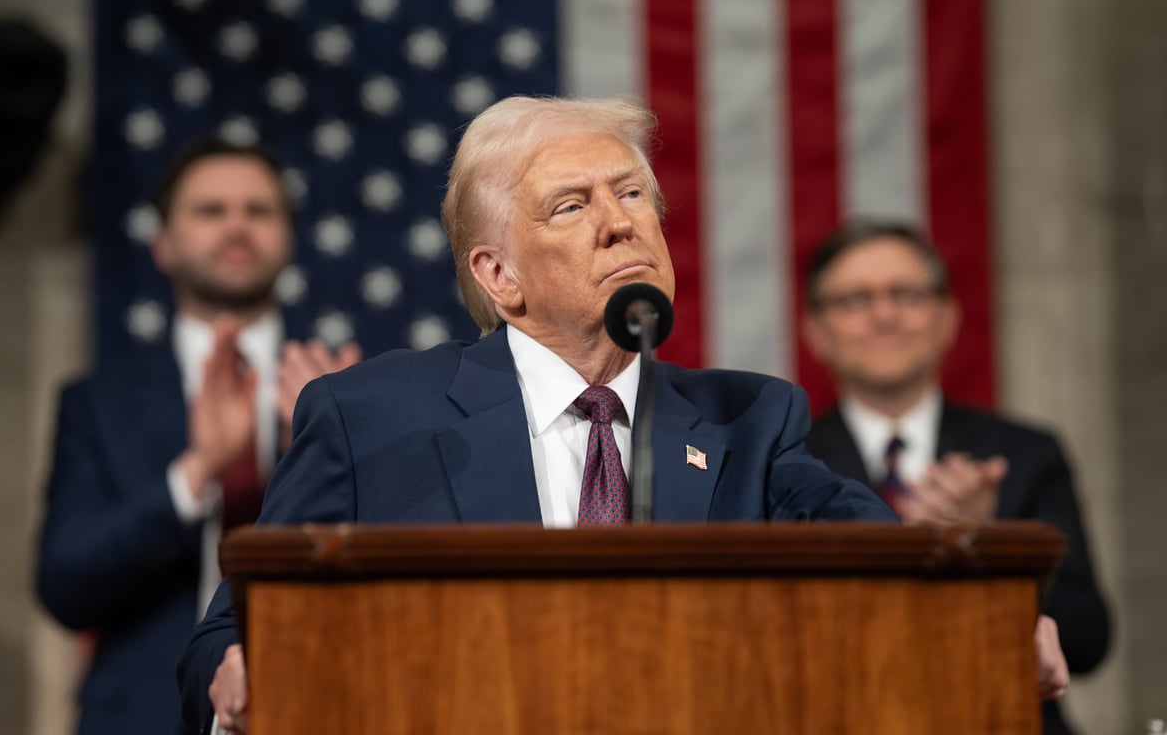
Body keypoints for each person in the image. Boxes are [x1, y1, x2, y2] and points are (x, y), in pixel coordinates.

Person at [176, 98, 1065, 734]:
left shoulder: (749, 420)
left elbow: (864, 542)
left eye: (633, 195)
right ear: (498, 276)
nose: (619, 223)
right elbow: (230, 628)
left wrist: (976, 612)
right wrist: (243, 671)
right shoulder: (372, 415)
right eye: (573, 206)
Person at [35, 138, 361, 735]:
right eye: (211, 211)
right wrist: (198, 470)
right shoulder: (97, 404)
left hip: (324, 703)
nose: (237, 227)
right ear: (162, 244)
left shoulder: (346, 385)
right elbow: (64, 586)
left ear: (288, 238)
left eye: (259, 211)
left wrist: (329, 446)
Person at [801, 220, 1110, 735]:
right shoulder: (787, 459)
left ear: (948, 319)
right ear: (815, 331)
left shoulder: (1026, 454)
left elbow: (1088, 638)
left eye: (907, 294)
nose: (885, 316)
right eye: (856, 300)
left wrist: (986, 548)